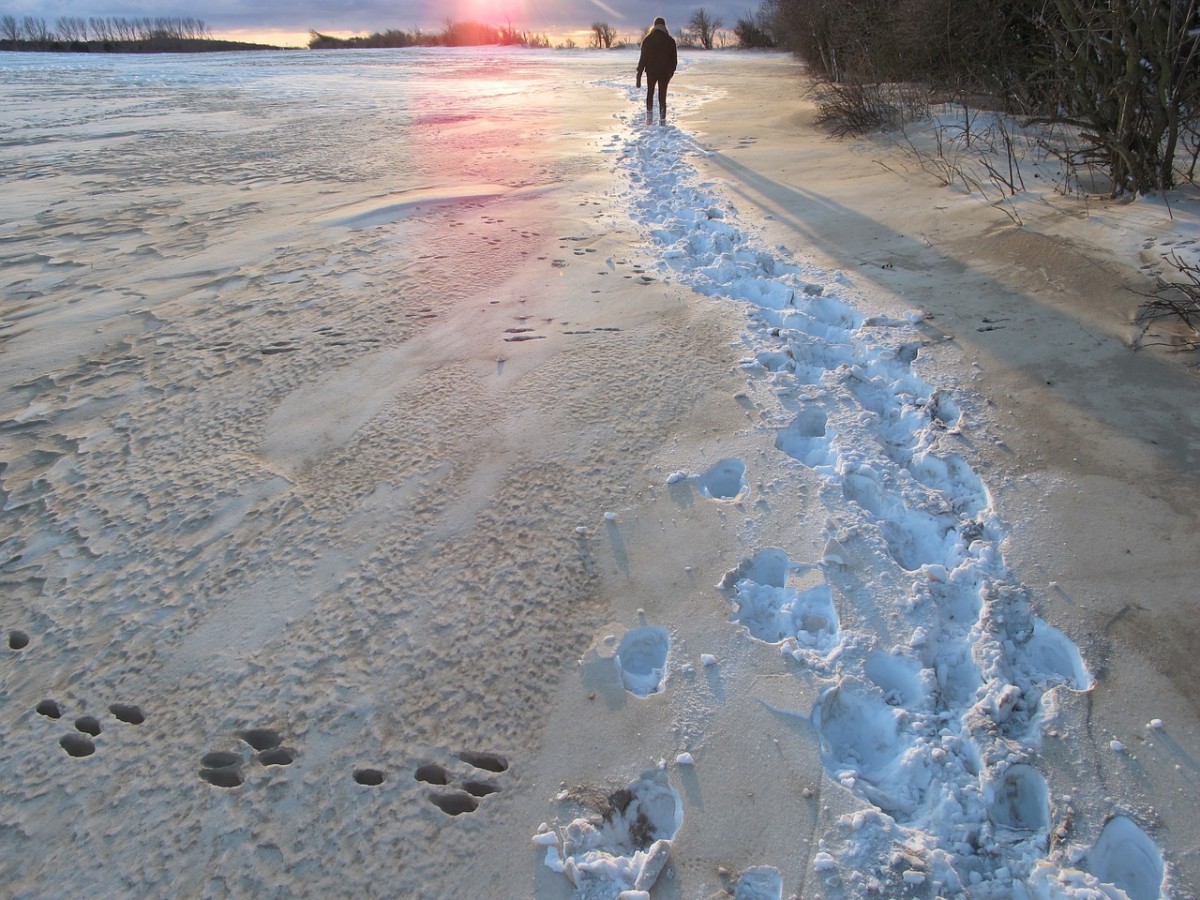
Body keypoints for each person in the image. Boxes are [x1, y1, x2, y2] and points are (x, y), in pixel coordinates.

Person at [636, 17, 677, 123]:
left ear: (654, 26)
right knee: (662, 96)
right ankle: (662, 119)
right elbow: (674, 60)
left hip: (651, 71)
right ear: (664, 26)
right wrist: (670, 72)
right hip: (665, 73)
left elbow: (643, 59)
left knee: (650, 92)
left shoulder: (647, 40)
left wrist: (639, 74)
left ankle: (649, 119)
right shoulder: (670, 40)